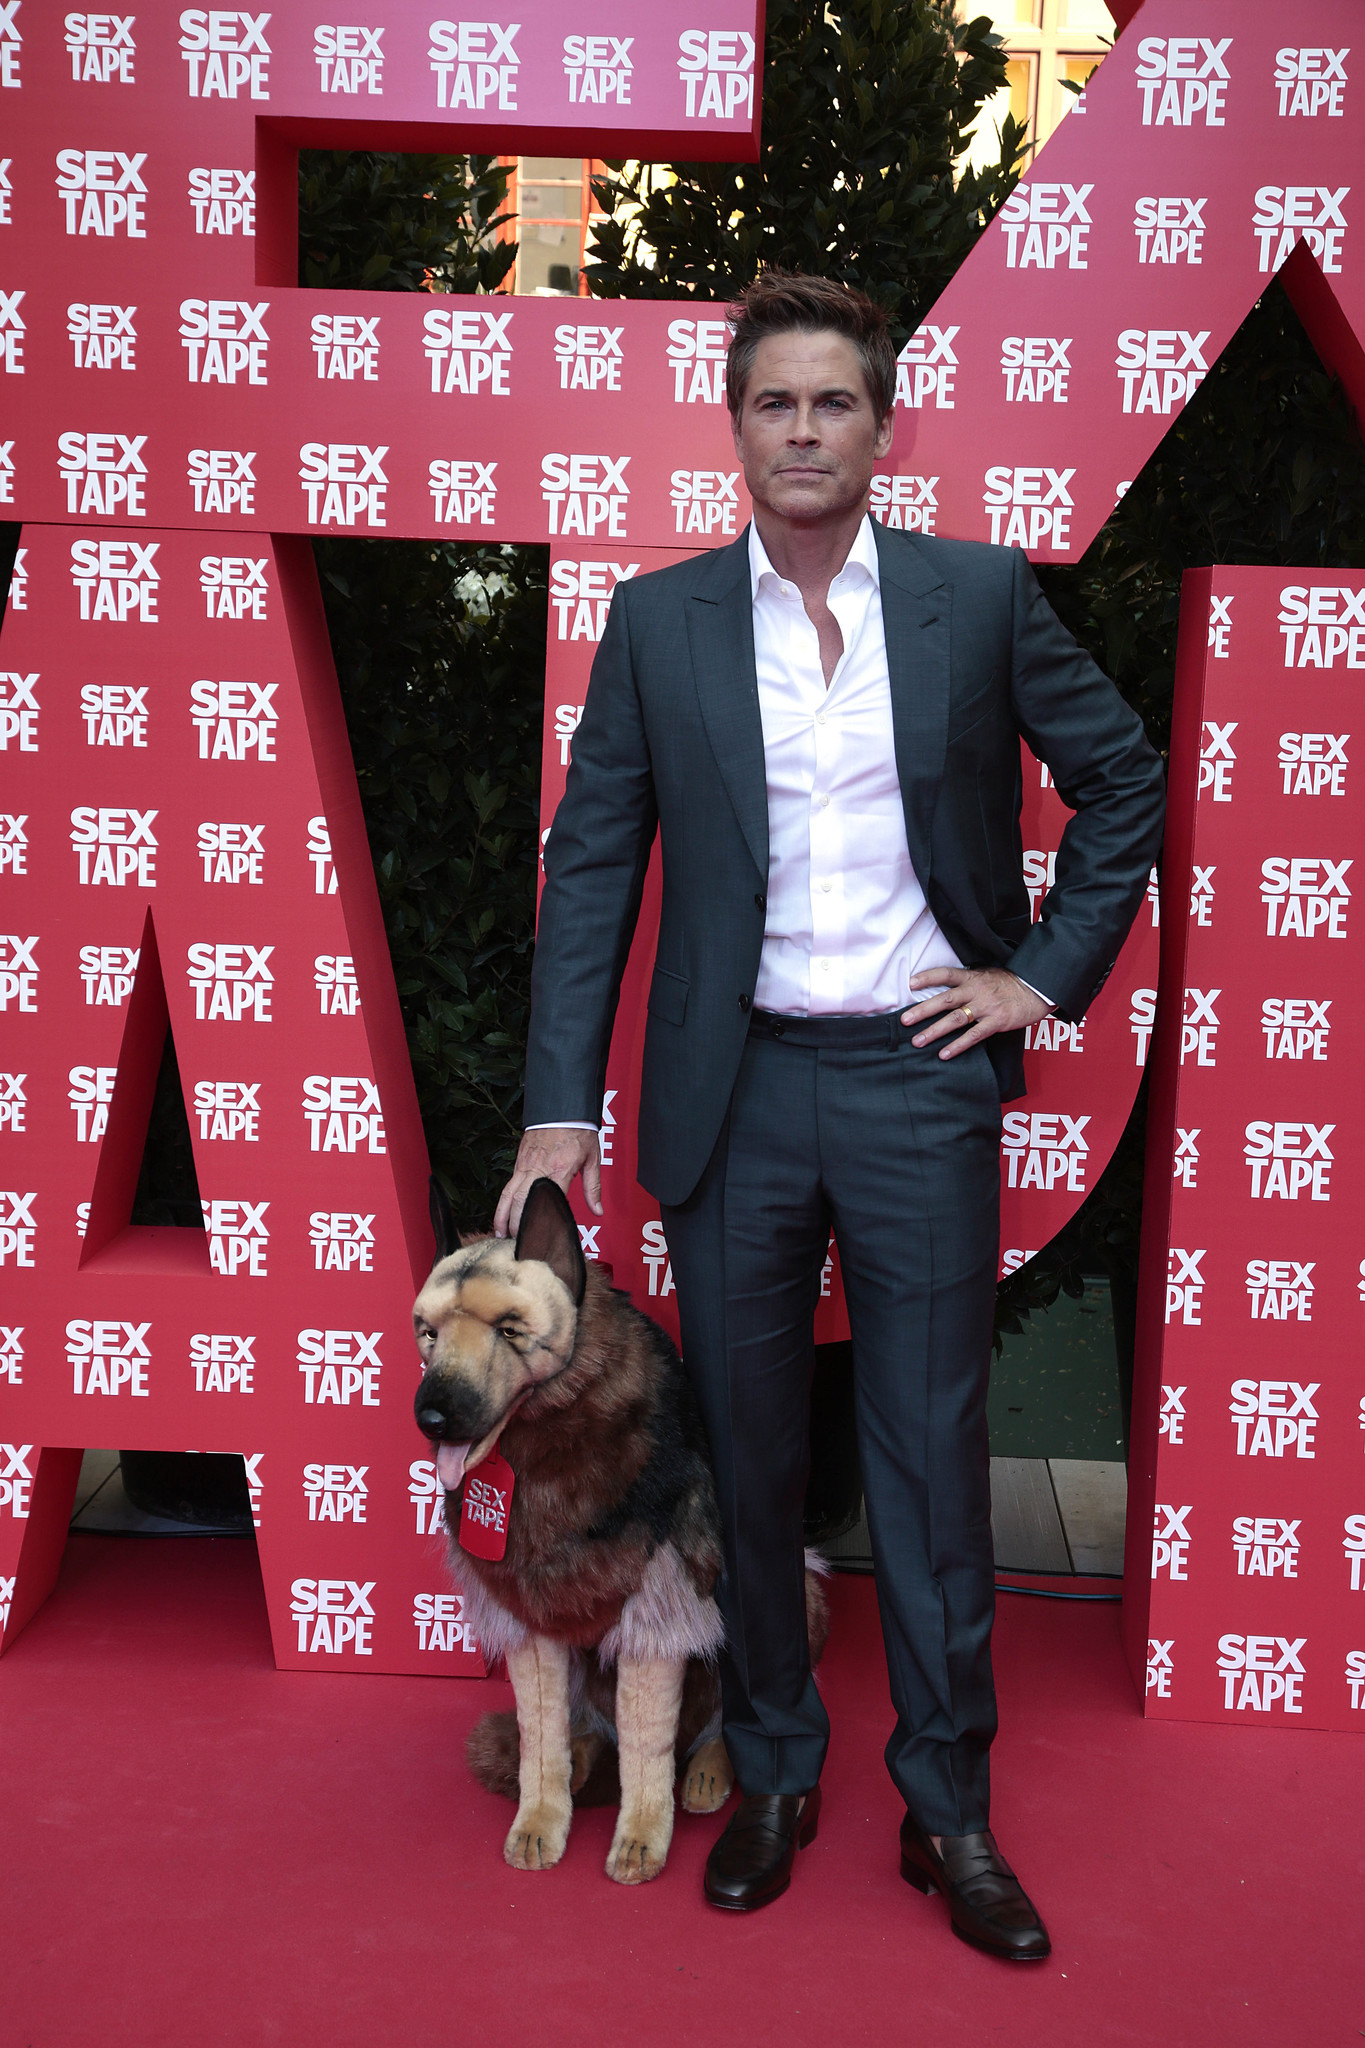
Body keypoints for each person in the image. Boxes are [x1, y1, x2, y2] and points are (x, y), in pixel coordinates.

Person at [495, 271, 1164, 1956]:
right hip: (734, 1093)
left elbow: (1123, 782)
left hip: (911, 1083)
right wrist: (553, 1117)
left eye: (833, 403)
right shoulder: (660, 625)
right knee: (751, 1454)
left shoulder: (974, 600)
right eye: (773, 404)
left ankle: (950, 1812)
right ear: (736, 428)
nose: (802, 430)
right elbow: (589, 879)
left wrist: (1037, 976)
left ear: (882, 424)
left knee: (929, 1460)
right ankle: (778, 1770)